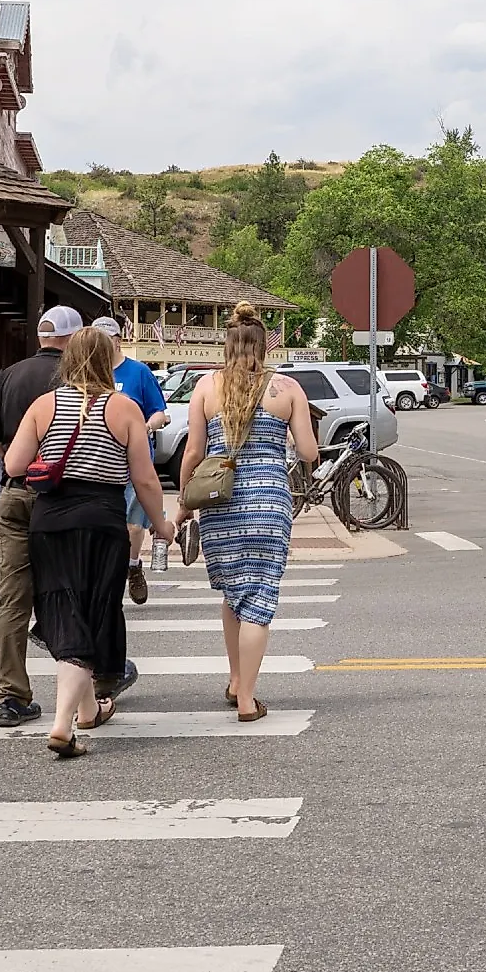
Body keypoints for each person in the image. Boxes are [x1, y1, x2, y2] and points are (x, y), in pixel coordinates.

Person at [4, 327, 176, 757]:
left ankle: (85, 713)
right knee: (94, 613)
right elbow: (144, 478)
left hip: (51, 519)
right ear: (107, 358)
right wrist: (162, 524)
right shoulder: (125, 408)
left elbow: (13, 463)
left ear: (68, 358)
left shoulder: (44, 405)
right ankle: (64, 724)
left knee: (65, 609)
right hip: (101, 518)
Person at [177, 303, 318, 722]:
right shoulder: (287, 388)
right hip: (269, 503)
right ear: (263, 346)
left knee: (234, 593)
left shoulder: (206, 387)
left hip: (221, 503)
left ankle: (236, 679)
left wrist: (183, 502)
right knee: (258, 599)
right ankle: (246, 699)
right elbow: (309, 452)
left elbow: (193, 452)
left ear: (228, 344)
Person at [0, 305, 81, 729]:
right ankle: (89, 688)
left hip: (14, 491)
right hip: (62, 496)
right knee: (72, 590)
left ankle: (12, 695)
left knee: (13, 597)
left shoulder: (7, 375)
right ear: (71, 338)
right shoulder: (74, 378)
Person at [92, 316, 168, 601]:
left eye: (106, 339)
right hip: (101, 460)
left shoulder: (138, 373)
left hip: (135, 459)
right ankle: (108, 574)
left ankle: (133, 567)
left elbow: (159, 411)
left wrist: (146, 427)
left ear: (117, 340)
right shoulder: (90, 374)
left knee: (134, 525)